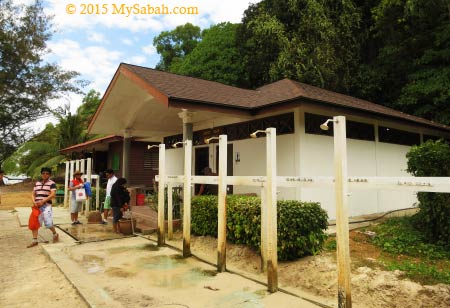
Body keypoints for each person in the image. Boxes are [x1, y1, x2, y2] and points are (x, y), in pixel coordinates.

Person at [27, 167, 59, 248]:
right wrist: (34, 201)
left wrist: (43, 201)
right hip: (37, 206)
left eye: (47, 173)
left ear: (49, 175)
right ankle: (34, 240)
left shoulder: (52, 183)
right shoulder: (37, 183)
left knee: (48, 223)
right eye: (43, 173)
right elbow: (33, 194)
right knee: (34, 223)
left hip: (46, 206)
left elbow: (53, 194)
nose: (45, 175)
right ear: (41, 174)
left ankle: (55, 234)